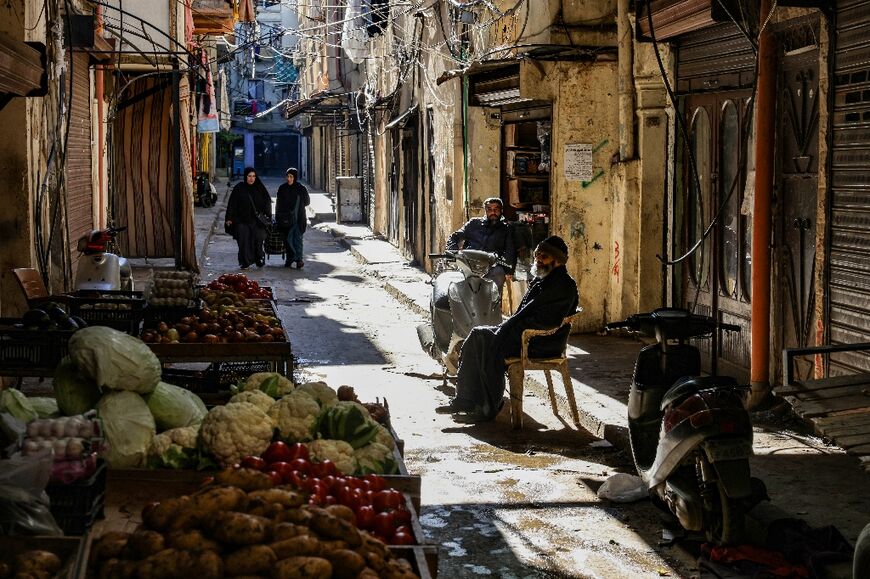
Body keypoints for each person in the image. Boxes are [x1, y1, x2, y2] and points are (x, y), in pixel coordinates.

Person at [436, 236, 579, 422]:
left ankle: (487, 407)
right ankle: (466, 400)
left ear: (557, 260)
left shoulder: (562, 285)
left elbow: (545, 321)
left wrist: (508, 329)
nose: (538, 259)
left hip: (540, 341)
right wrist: (507, 328)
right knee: (477, 336)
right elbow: (527, 315)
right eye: (537, 255)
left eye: (544, 256)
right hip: (524, 334)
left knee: (483, 339)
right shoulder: (544, 279)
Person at [447, 197, 516, 294]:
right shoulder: (473, 223)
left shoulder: (506, 229)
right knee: (458, 287)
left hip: (491, 266)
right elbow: (455, 236)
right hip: (469, 263)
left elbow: (510, 249)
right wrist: (453, 252)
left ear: (501, 210)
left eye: (496, 209)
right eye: (489, 209)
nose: (493, 212)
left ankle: (492, 306)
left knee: (498, 275)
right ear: (485, 210)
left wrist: (509, 270)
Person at [225, 167, 272, 269]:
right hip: (241, 220)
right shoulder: (239, 188)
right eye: (249, 176)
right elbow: (232, 204)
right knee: (243, 240)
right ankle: (245, 261)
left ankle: (259, 258)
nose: (251, 178)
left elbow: (267, 202)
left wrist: (268, 216)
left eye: (254, 176)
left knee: (258, 239)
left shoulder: (259, 188)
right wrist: (229, 218)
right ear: (245, 176)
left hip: (257, 221)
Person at [275, 167, 310, 268]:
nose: (289, 179)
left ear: (295, 177)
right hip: (285, 219)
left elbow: (307, 202)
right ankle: (289, 259)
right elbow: (278, 204)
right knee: (287, 240)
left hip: (298, 219)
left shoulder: (301, 188)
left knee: (297, 240)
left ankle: (299, 260)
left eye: (291, 176)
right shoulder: (282, 188)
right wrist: (278, 217)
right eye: (288, 176)